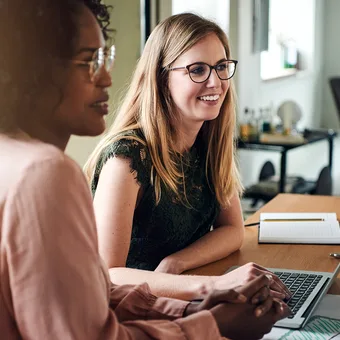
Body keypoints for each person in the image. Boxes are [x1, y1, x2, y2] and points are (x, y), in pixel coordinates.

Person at [0, 0, 290, 339]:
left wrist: (191, 302)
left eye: (222, 66)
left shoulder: (210, 139)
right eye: (88, 61)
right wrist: (209, 314)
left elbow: (96, 295)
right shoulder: (55, 170)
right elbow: (103, 292)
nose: (107, 76)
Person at [84, 12, 291, 301]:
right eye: (197, 70)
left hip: (181, 297)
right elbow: (108, 273)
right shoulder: (127, 157)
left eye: (221, 67)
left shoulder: (209, 139)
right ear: (161, 77)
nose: (215, 82)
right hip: (133, 311)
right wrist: (213, 286)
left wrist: (177, 263)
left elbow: (233, 230)